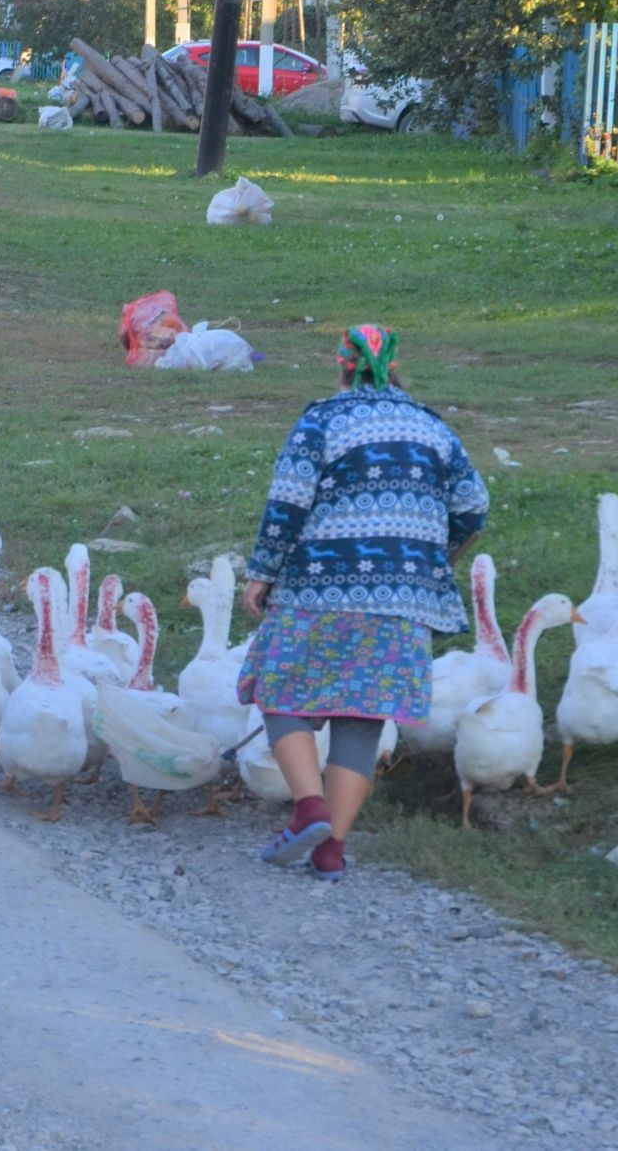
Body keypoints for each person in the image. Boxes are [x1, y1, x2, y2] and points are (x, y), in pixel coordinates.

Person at [239, 321, 488, 882]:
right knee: (362, 717)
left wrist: (261, 573)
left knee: (280, 689)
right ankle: (333, 851)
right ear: (396, 367)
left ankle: (308, 809)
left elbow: (287, 504)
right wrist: (431, 556)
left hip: (315, 590)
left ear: (342, 365)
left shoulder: (322, 420)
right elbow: (474, 506)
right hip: (403, 601)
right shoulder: (433, 429)